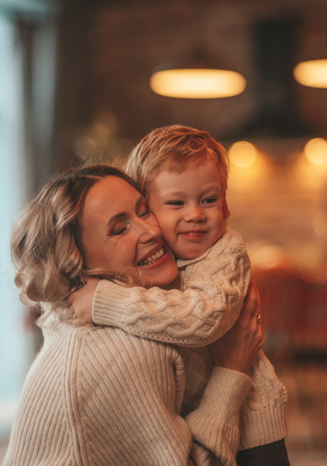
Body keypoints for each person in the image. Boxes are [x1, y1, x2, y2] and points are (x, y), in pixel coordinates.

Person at [3, 164, 265, 466]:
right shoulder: (128, 351)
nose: (152, 230)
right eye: (119, 229)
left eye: (144, 211)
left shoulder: (77, 320)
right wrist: (232, 370)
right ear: (76, 261)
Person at [68, 126, 289, 464]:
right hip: (192, 419)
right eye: (176, 203)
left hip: (253, 429)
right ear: (150, 212)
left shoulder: (224, 254)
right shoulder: (157, 258)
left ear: (225, 206)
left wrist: (106, 301)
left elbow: (203, 319)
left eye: (209, 200)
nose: (195, 214)